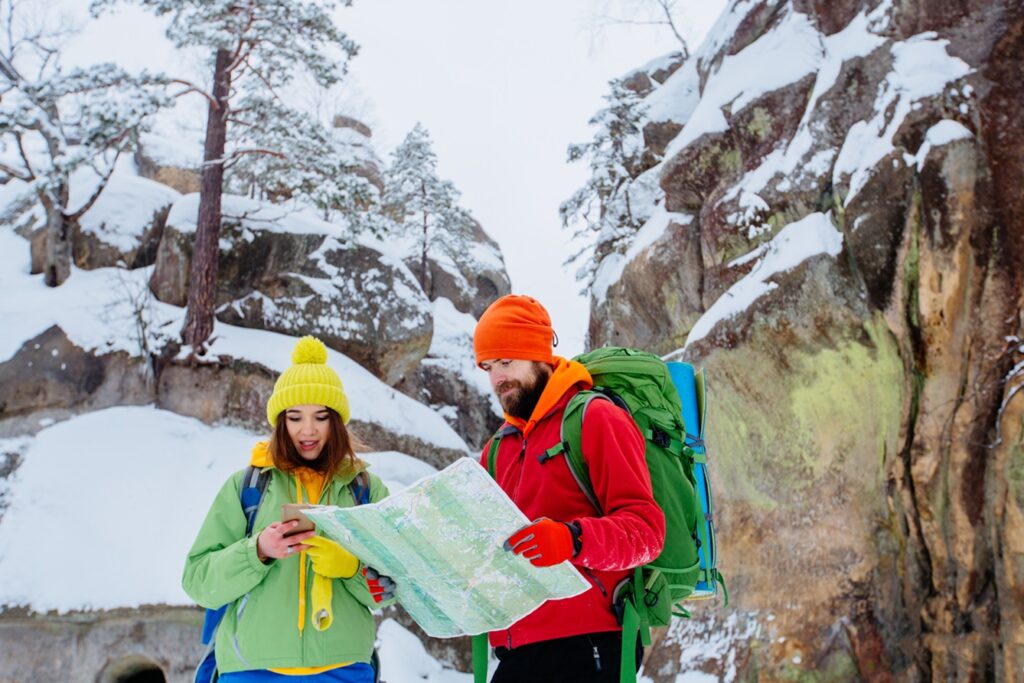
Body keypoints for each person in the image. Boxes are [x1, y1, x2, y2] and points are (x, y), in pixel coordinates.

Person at [473, 294, 666, 682]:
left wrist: (571, 539)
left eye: (507, 362)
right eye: (488, 367)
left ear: (538, 355)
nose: (497, 379)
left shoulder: (595, 419)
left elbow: (646, 532)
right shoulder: (497, 451)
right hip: (516, 650)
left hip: (588, 644)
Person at [183, 336, 392, 682]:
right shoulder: (248, 486)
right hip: (252, 671)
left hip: (343, 671)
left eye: (321, 417)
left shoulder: (364, 488)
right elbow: (198, 580)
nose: (307, 430)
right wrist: (258, 551)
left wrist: (351, 568)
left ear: (336, 422)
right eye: (295, 417)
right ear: (281, 422)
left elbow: (391, 586)